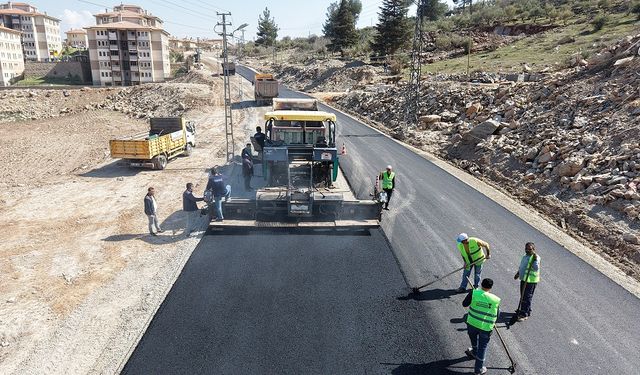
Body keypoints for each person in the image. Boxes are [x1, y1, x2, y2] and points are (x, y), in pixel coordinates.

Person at [462, 278, 501, 375]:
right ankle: (478, 370)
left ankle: (474, 351)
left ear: (481, 284)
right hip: (485, 327)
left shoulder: (474, 293)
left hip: (472, 323)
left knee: (473, 338)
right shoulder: (495, 299)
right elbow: (498, 315)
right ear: (491, 288)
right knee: (482, 348)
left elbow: (464, 304)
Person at [514, 242, 540, 321]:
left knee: (526, 297)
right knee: (523, 296)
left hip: (530, 281)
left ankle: (524, 314)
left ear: (533, 249)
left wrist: (535, 260)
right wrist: (518, 273)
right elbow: (522, 266)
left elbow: (536, 268)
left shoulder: (536, 257)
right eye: (526, 249)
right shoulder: (525, 256)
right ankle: (526, 310)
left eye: (529, 249)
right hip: (524, 279)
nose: (527, 250)